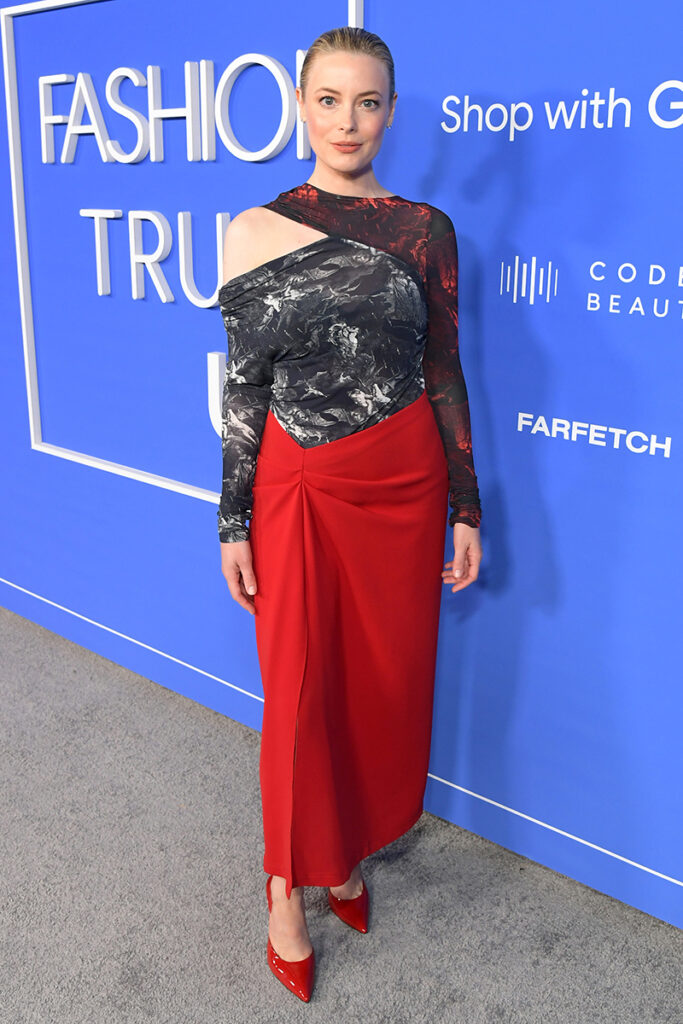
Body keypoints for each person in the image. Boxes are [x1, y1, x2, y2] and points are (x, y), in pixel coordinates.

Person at [216, 25, 482, 1003]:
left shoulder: (425, 231)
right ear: (300, 105)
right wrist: (231, 519)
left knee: (378, 682)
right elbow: (244, 387)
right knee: (297, 689)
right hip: (298, 485)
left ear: (391, 113)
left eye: (366, 102)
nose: (346, 121)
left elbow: (442, 370)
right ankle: (284, 887)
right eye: (328, 99)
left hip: (403, 485)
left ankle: (342, 856)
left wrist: (465, 505)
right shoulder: (253, 228)